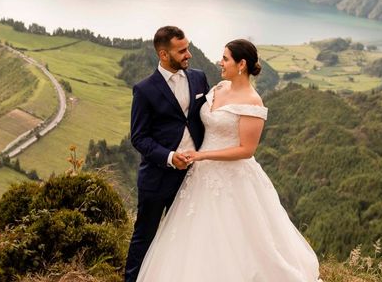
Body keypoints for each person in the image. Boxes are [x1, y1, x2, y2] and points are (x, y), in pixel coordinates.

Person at [136, 39, 321, 282]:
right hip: (199, 176)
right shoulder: (219, 88)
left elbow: (246, 149)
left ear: (241, 64)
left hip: (232, 177)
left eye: (225, 59)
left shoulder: (252, 102)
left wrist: (202, 155)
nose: (219, 62)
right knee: (195, 235)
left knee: (237, 238)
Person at [124, 26, 210, 282]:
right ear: (163, 54)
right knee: (145, 237)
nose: (189, 55)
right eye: (182, 51)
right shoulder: (144, 89)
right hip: (157, 178)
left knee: (185, 237)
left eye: (188, 48)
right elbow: (139, 137)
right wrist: (171, 157)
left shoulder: (199, 78)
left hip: (193, 177)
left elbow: (208, 117)